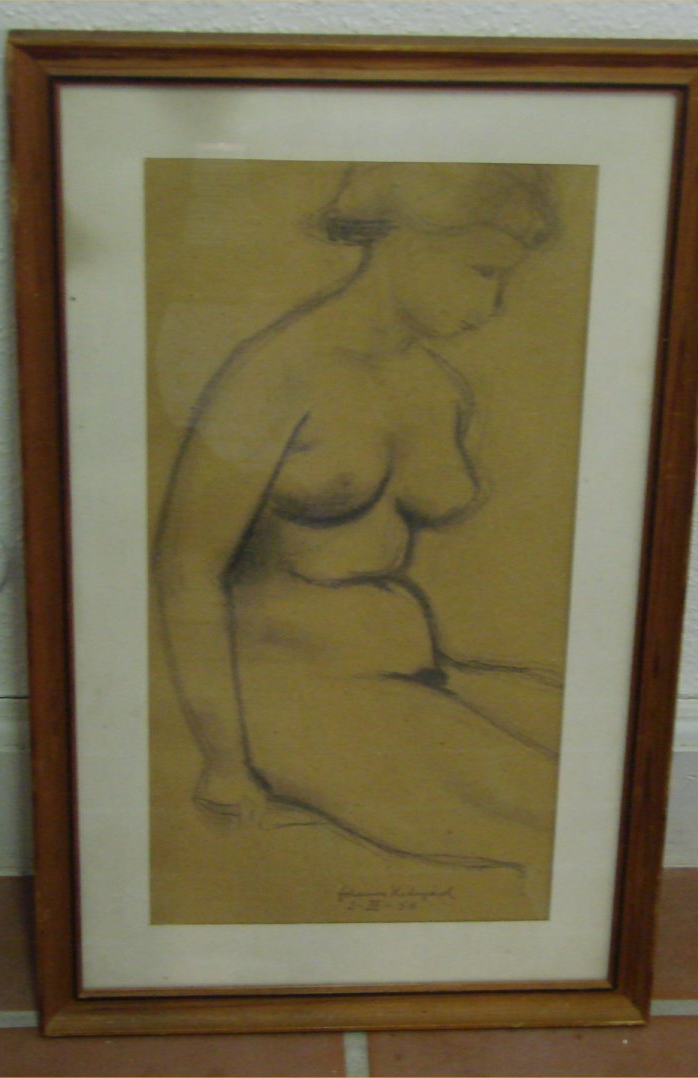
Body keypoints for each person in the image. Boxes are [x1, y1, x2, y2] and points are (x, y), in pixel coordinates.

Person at [152, 163, 562, 876]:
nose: (492, 304)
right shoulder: (274, 373)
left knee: (593, 756)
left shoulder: (437, 385)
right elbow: (186, 567)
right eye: (481, 272)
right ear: (407, 242)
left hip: (417, 673)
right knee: (550, 823)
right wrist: (224, 763)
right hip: (296, 696)